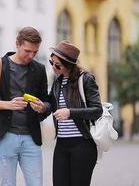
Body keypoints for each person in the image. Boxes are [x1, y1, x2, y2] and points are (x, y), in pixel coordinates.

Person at [0, 26, 50, 186]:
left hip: (31, 139)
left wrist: (42, 107)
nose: (31, 56)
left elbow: (47, 101)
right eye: (27, 51)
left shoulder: (39, 70)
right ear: (17, 43)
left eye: (35, 52)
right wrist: (6, 105)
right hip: (4, 137)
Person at [48, 40, 103, 186]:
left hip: (82, 145)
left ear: (69, 64)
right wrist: (42, 107)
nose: (53, 67)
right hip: (61, 144)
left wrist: (70, 113)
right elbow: (51, 106)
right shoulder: (57, 82)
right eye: (51, 62)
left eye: (57, 65)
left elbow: (97, 110)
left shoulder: (85, 79)